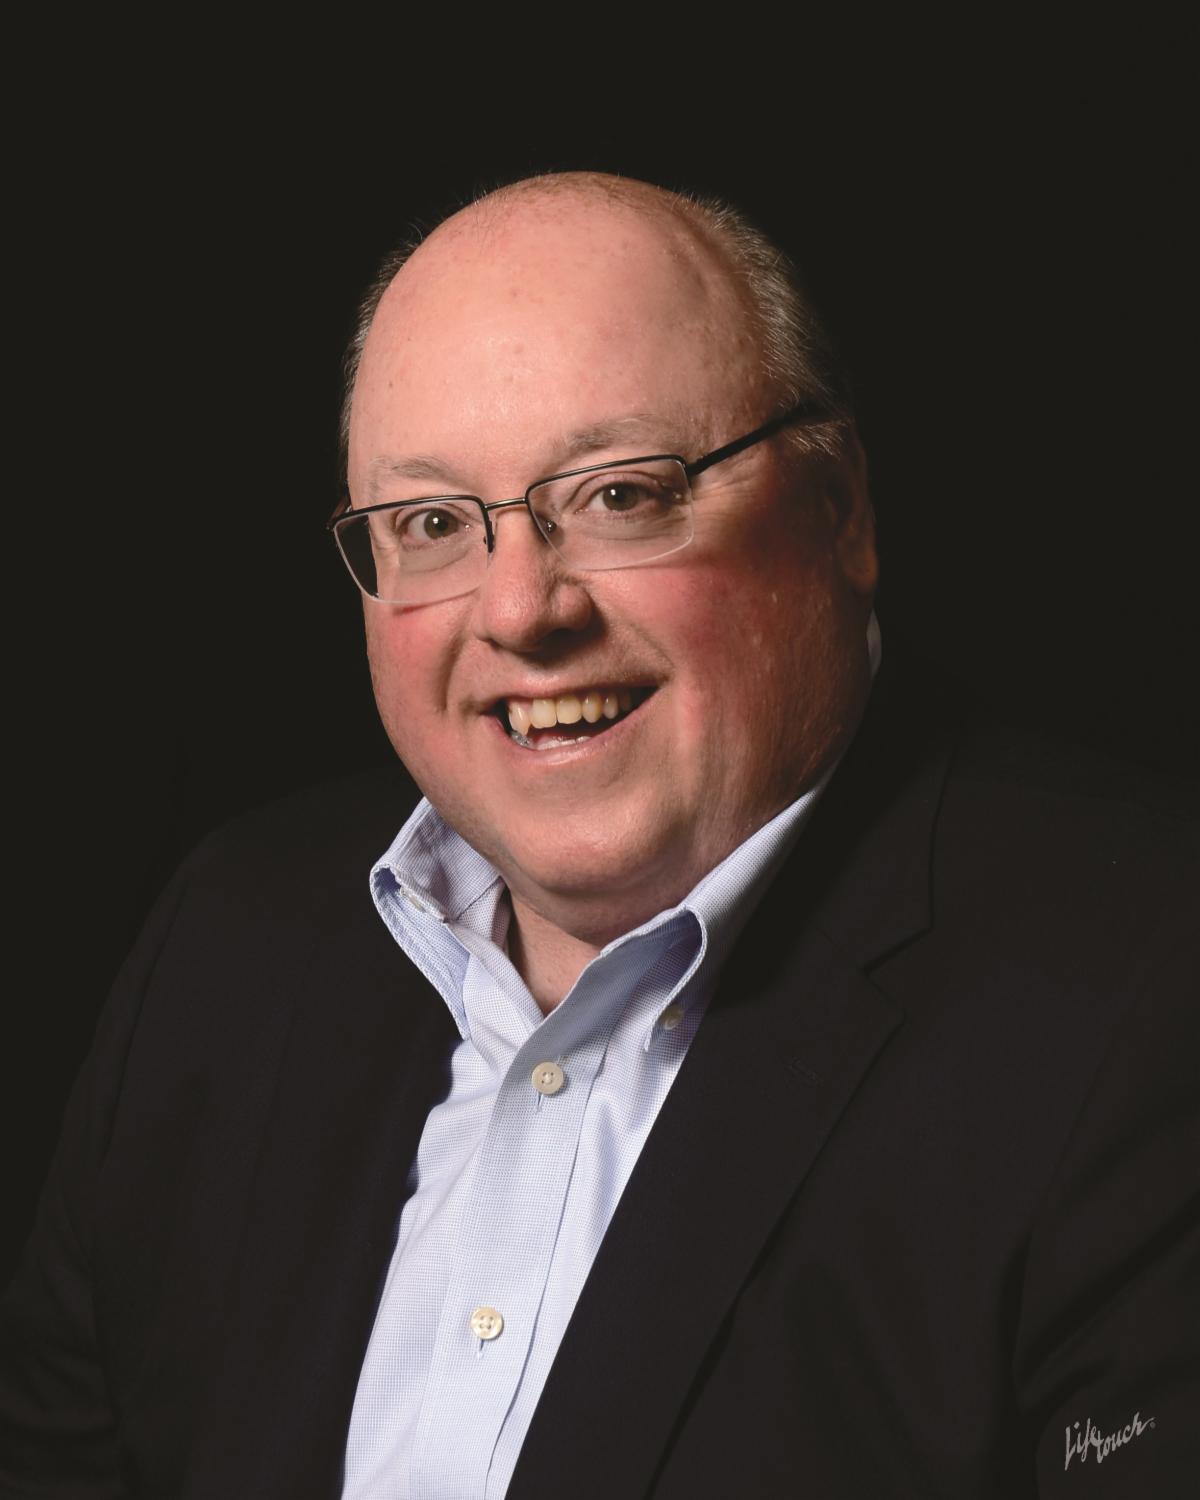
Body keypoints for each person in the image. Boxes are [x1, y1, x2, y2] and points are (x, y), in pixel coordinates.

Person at [1, 171, 1195, 1498]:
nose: (521, 611)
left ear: (838, 508)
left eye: (622, 495)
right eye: (432, 523)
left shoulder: (1146, 998)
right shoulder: (227, 941)